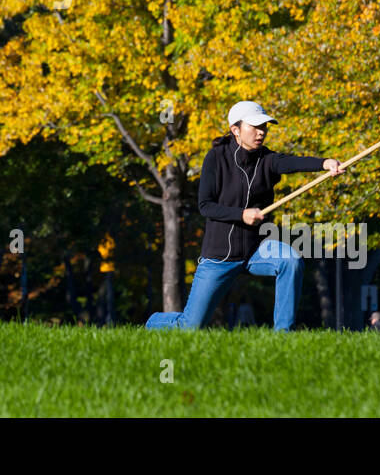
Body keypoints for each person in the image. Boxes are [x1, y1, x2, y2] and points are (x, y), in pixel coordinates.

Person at [146, 100, 341, 332]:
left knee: (291, 261)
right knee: (190, 327)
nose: (262, 132)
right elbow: (205, 206)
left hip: (255, 251)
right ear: (235, 130)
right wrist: (242, 215)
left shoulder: (267, 159)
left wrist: (325, 163)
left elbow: (291, 162)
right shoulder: (215, 158)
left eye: (265, 127)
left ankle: (284, 335)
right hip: (218, 257)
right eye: (255, 126)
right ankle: (153, 323)